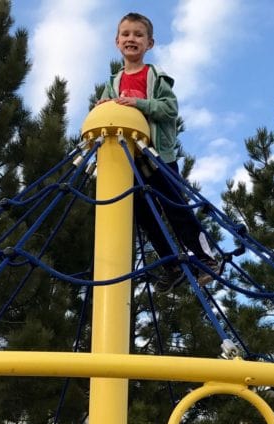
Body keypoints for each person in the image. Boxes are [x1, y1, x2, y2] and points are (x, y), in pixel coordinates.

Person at [98, 12, 223, 292]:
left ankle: (207, 257)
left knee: (175, 208)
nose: (132, 39)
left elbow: (170, 109)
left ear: (149, 44)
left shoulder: (154, 76)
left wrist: (139, 103)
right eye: (126, 34)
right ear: (117, 41)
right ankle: (172, 265)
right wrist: (103, 106)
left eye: (138, 35)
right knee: (144, 215)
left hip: (157, 157)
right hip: (131, 164)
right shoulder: (113, 81)